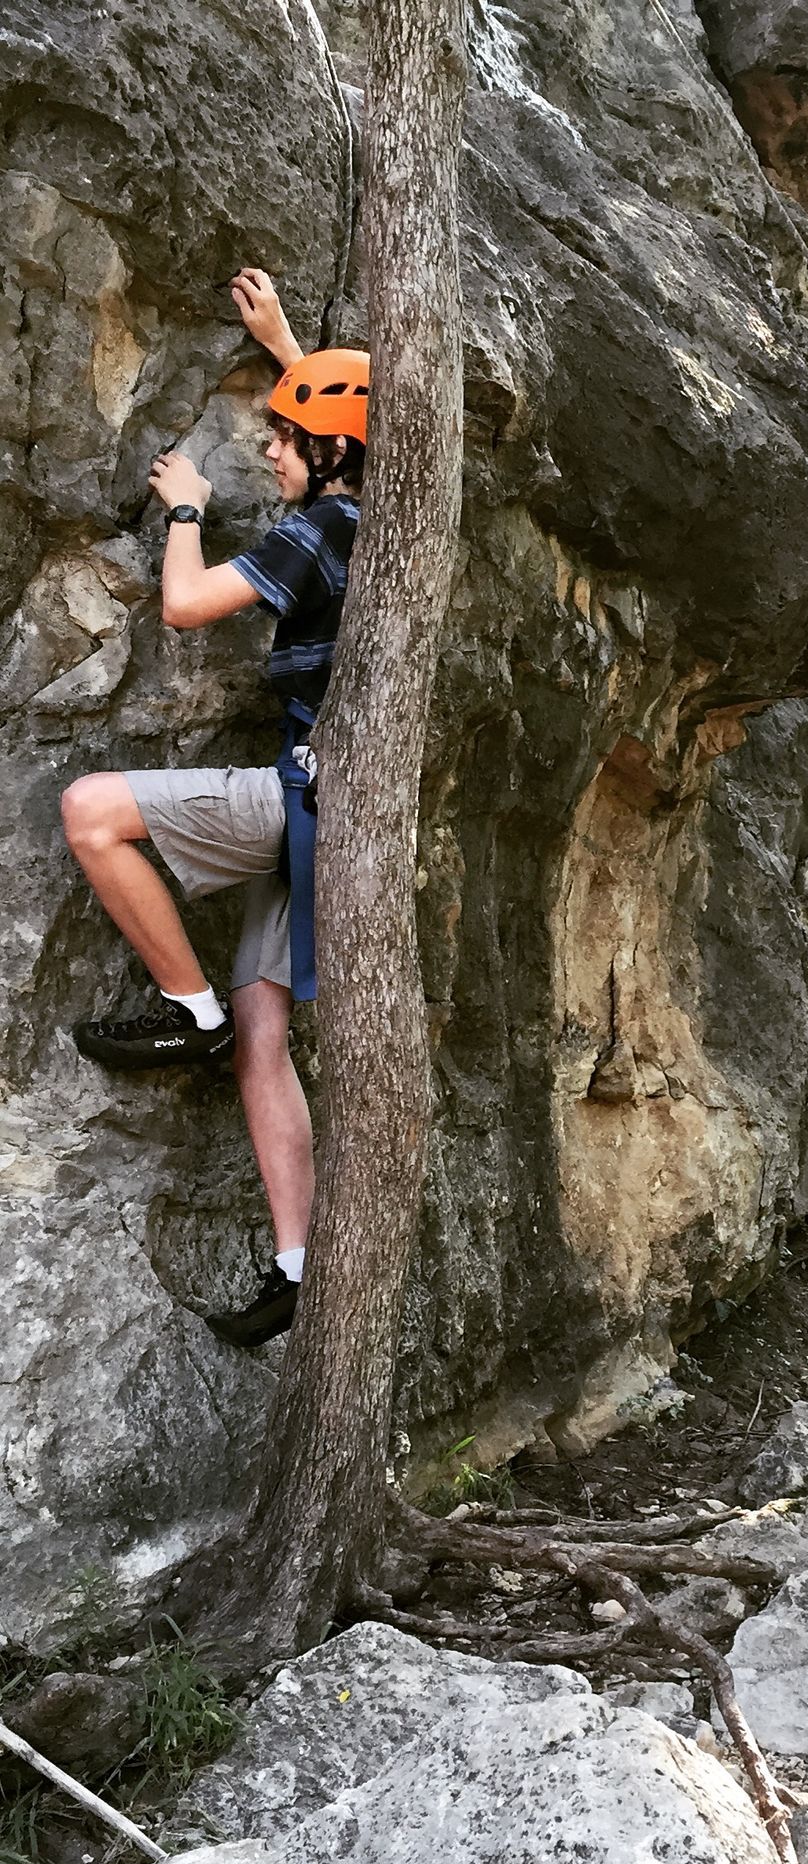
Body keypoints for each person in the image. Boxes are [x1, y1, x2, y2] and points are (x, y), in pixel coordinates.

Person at [62, 269, 367, 1347]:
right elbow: (356, 424)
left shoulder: (314, 533)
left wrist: (187, 510)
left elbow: (188, 607)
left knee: (93, 808)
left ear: (327, 455)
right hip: (340, 818)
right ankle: (297, 1266)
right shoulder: (375, 515)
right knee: (267, 1038)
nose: (270, 453)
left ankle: (185, 1004)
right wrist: (289, 344)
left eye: (285, 441)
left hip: (297, 797)